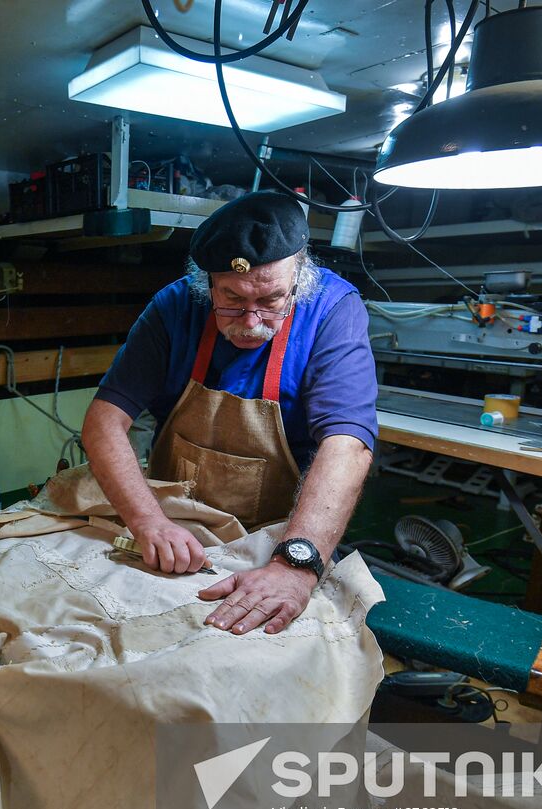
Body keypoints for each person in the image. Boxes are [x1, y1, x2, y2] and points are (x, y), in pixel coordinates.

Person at [81, 191, 377, 636]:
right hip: (178, 526)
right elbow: (105, 419)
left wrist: (296, 564)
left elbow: (347, 446)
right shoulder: (174, 306)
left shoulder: (333, 310)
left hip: (282, 538)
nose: (251, 321)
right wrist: (147, 521)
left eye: (272, 301)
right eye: (232, 301)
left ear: (300, 276)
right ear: (207, 285)